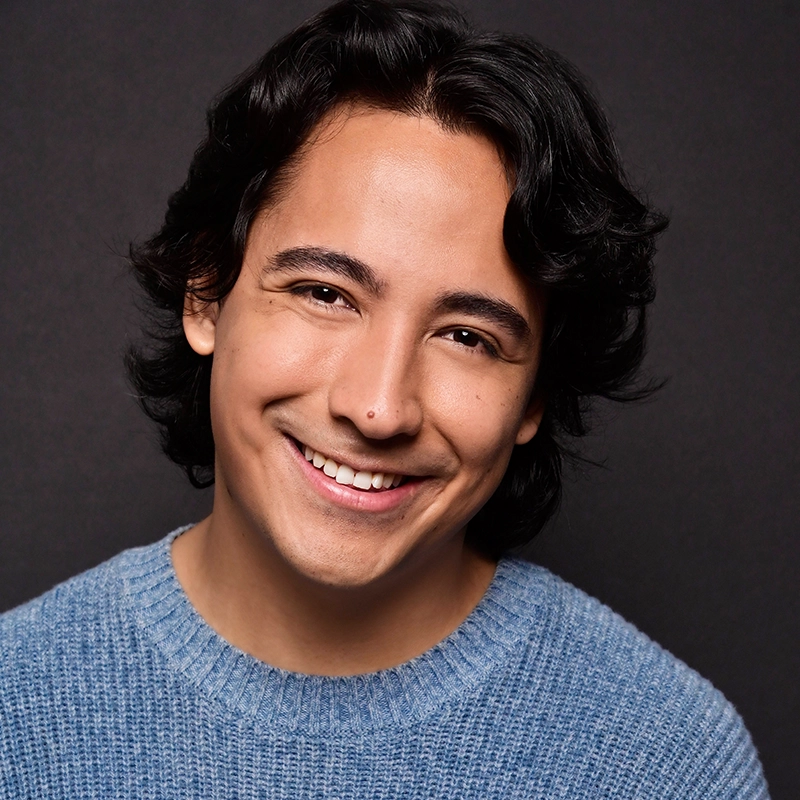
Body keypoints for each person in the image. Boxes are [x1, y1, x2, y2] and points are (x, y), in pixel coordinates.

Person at [0, 0, 769, 796]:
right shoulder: (14, 714)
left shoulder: (666, 759)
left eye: (468, 336)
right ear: (205, 294)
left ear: (535, 394)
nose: (378, 407)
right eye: (326, 293)